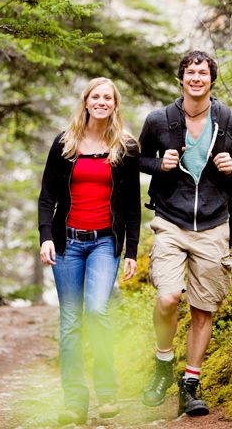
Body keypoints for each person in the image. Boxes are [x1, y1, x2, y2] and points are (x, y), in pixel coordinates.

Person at [138, 50, 232, 416]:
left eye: (202, 73)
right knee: (168, 298)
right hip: (170, 222)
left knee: (203, 308)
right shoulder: (160, 119)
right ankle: (163, 363)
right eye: (190, 72)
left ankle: (190, 382)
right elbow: (138, 158)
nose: (196, 78)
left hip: (214, 224)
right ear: (181, 78)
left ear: (211, 79)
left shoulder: (231, 120)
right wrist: (159, 165)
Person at [38, 77, 141, 425]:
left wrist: (131, 251)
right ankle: (74, 402)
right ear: (85, 102)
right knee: (70, 322)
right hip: (67, 242)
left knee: (97, 312)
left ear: (115, 104)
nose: (101, 102)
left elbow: (131, 206)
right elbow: (47, 196)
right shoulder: (65, 144)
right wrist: (45, 236)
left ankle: (108, 393)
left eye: (107, 97)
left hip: (104, 243)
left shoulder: (125, 147)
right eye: (95, 96)